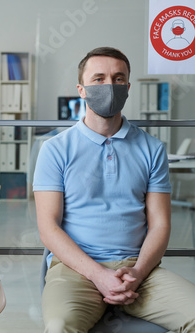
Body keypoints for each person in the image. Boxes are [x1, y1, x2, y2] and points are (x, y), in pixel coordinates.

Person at [33, 47, 195, 332]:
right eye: (99, 79)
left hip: (139, 270)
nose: (109, 85)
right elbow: (49, 228)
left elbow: (160, 224)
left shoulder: (152, 149)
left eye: (118, 79)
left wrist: (138, 272)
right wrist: (98, 275)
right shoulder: (55, 150)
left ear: (128, 87)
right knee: (59, 327)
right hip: (76, 269)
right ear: (81, 90)